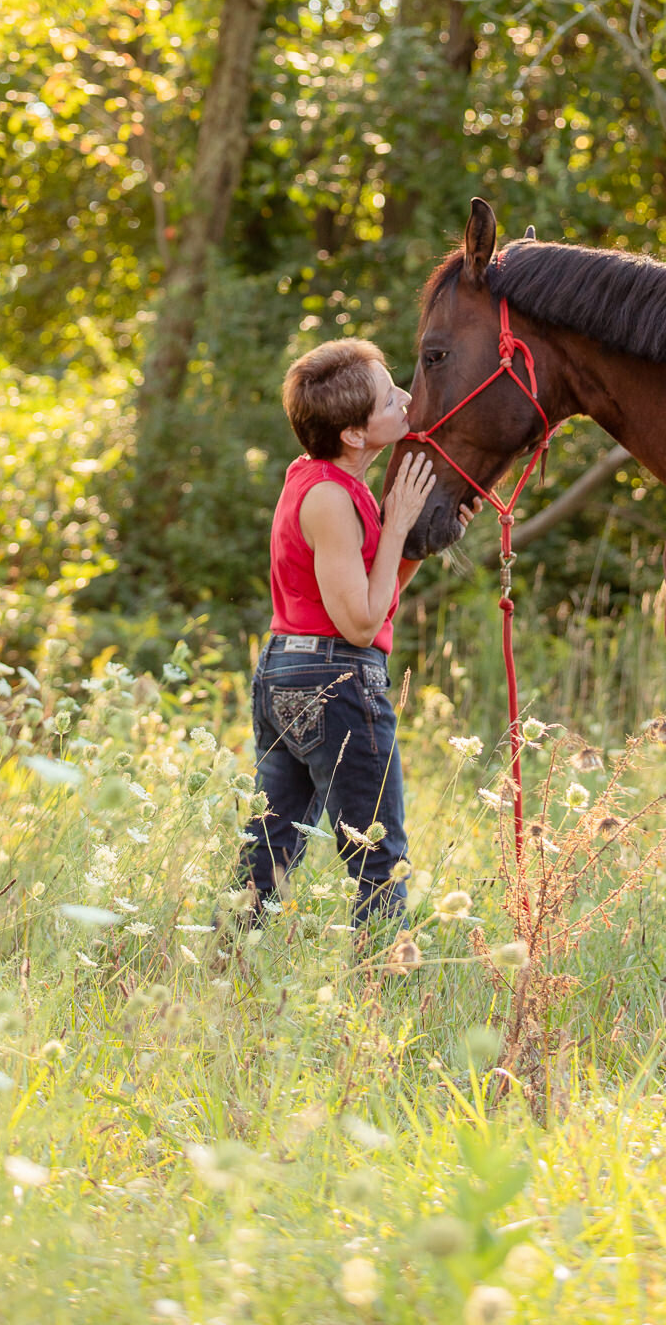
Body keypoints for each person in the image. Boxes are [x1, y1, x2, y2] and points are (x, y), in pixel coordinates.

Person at [241, 336, 477, 927]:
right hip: (335, 678)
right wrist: (396, 524)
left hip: (292, 670)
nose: (404, 397)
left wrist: (421, 540)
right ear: (352, 433)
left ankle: (226, 967)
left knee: (269, 850)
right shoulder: (327, 497)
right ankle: (381, 994)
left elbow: (372, 596)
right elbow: (360, 624)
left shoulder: (327, 482)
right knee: (378, 855)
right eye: (387, 396)